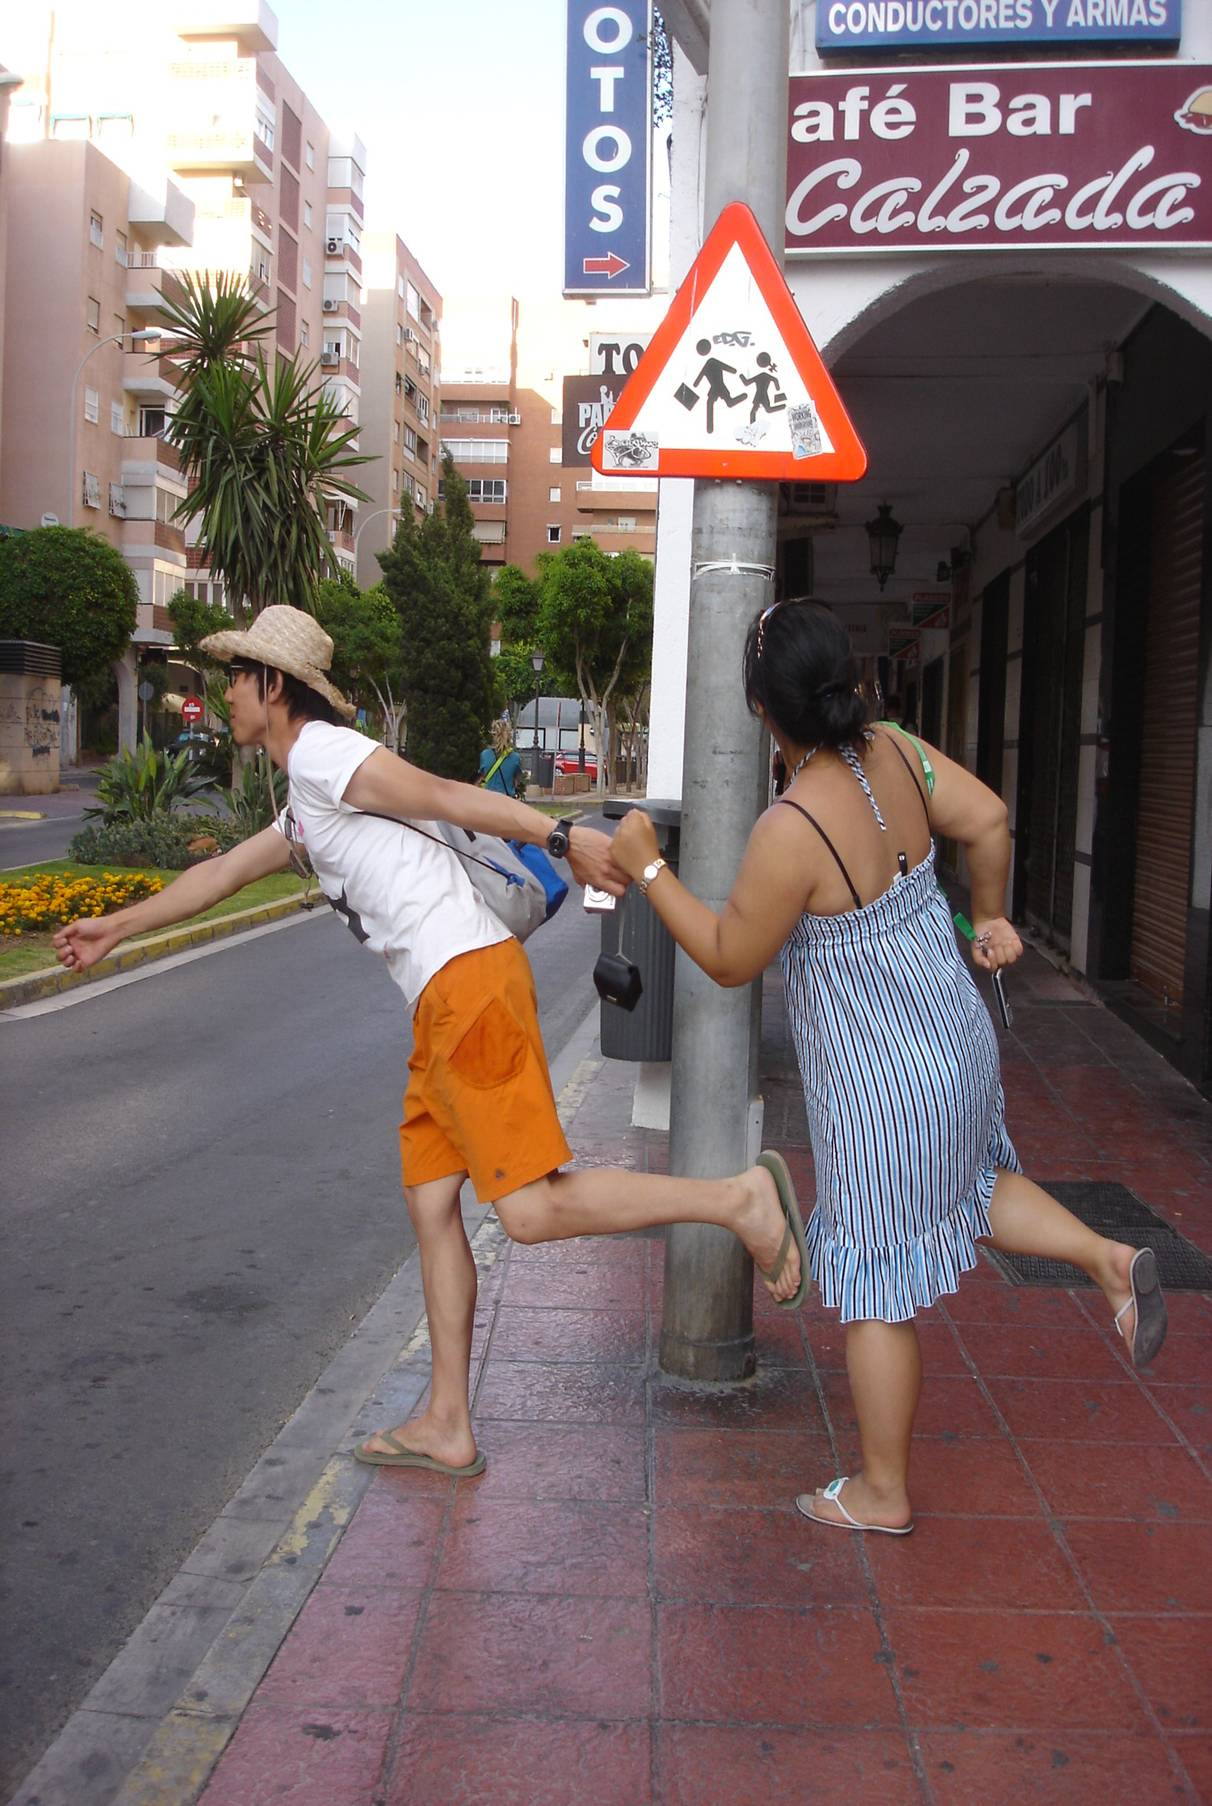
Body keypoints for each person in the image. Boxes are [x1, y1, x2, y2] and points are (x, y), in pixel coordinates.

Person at [54, 605, 809, 1480]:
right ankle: (448, 1421)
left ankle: (738, 1201)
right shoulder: (306, 797)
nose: (224, 694)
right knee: (430, 1202)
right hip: (443, 1002)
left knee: (528, 1211)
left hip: (468, 987)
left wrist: (561, 833)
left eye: (235, 677)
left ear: (273, 686)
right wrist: (117, 928)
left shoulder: (326, 755)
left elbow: (445, 794)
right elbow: (222, 873)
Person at [612, 599, 1166, 1535]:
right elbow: (989, 819)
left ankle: (881, 1490)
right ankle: (1108, 1260)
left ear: (762, 709)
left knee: (873, 1285)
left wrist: (649, 868)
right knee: (974, 1184)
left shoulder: (792, 825)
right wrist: (991, 914)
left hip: (882, 1087)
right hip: (958, 1041)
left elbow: (730, 957)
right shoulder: (898, 753)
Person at [478, 717, 523, 799]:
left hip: (487, 799)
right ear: (509, 736)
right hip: (506, 800)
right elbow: (517, 781)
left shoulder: (484, 755)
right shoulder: (515, 758)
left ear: (493, 735)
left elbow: (482, 777)